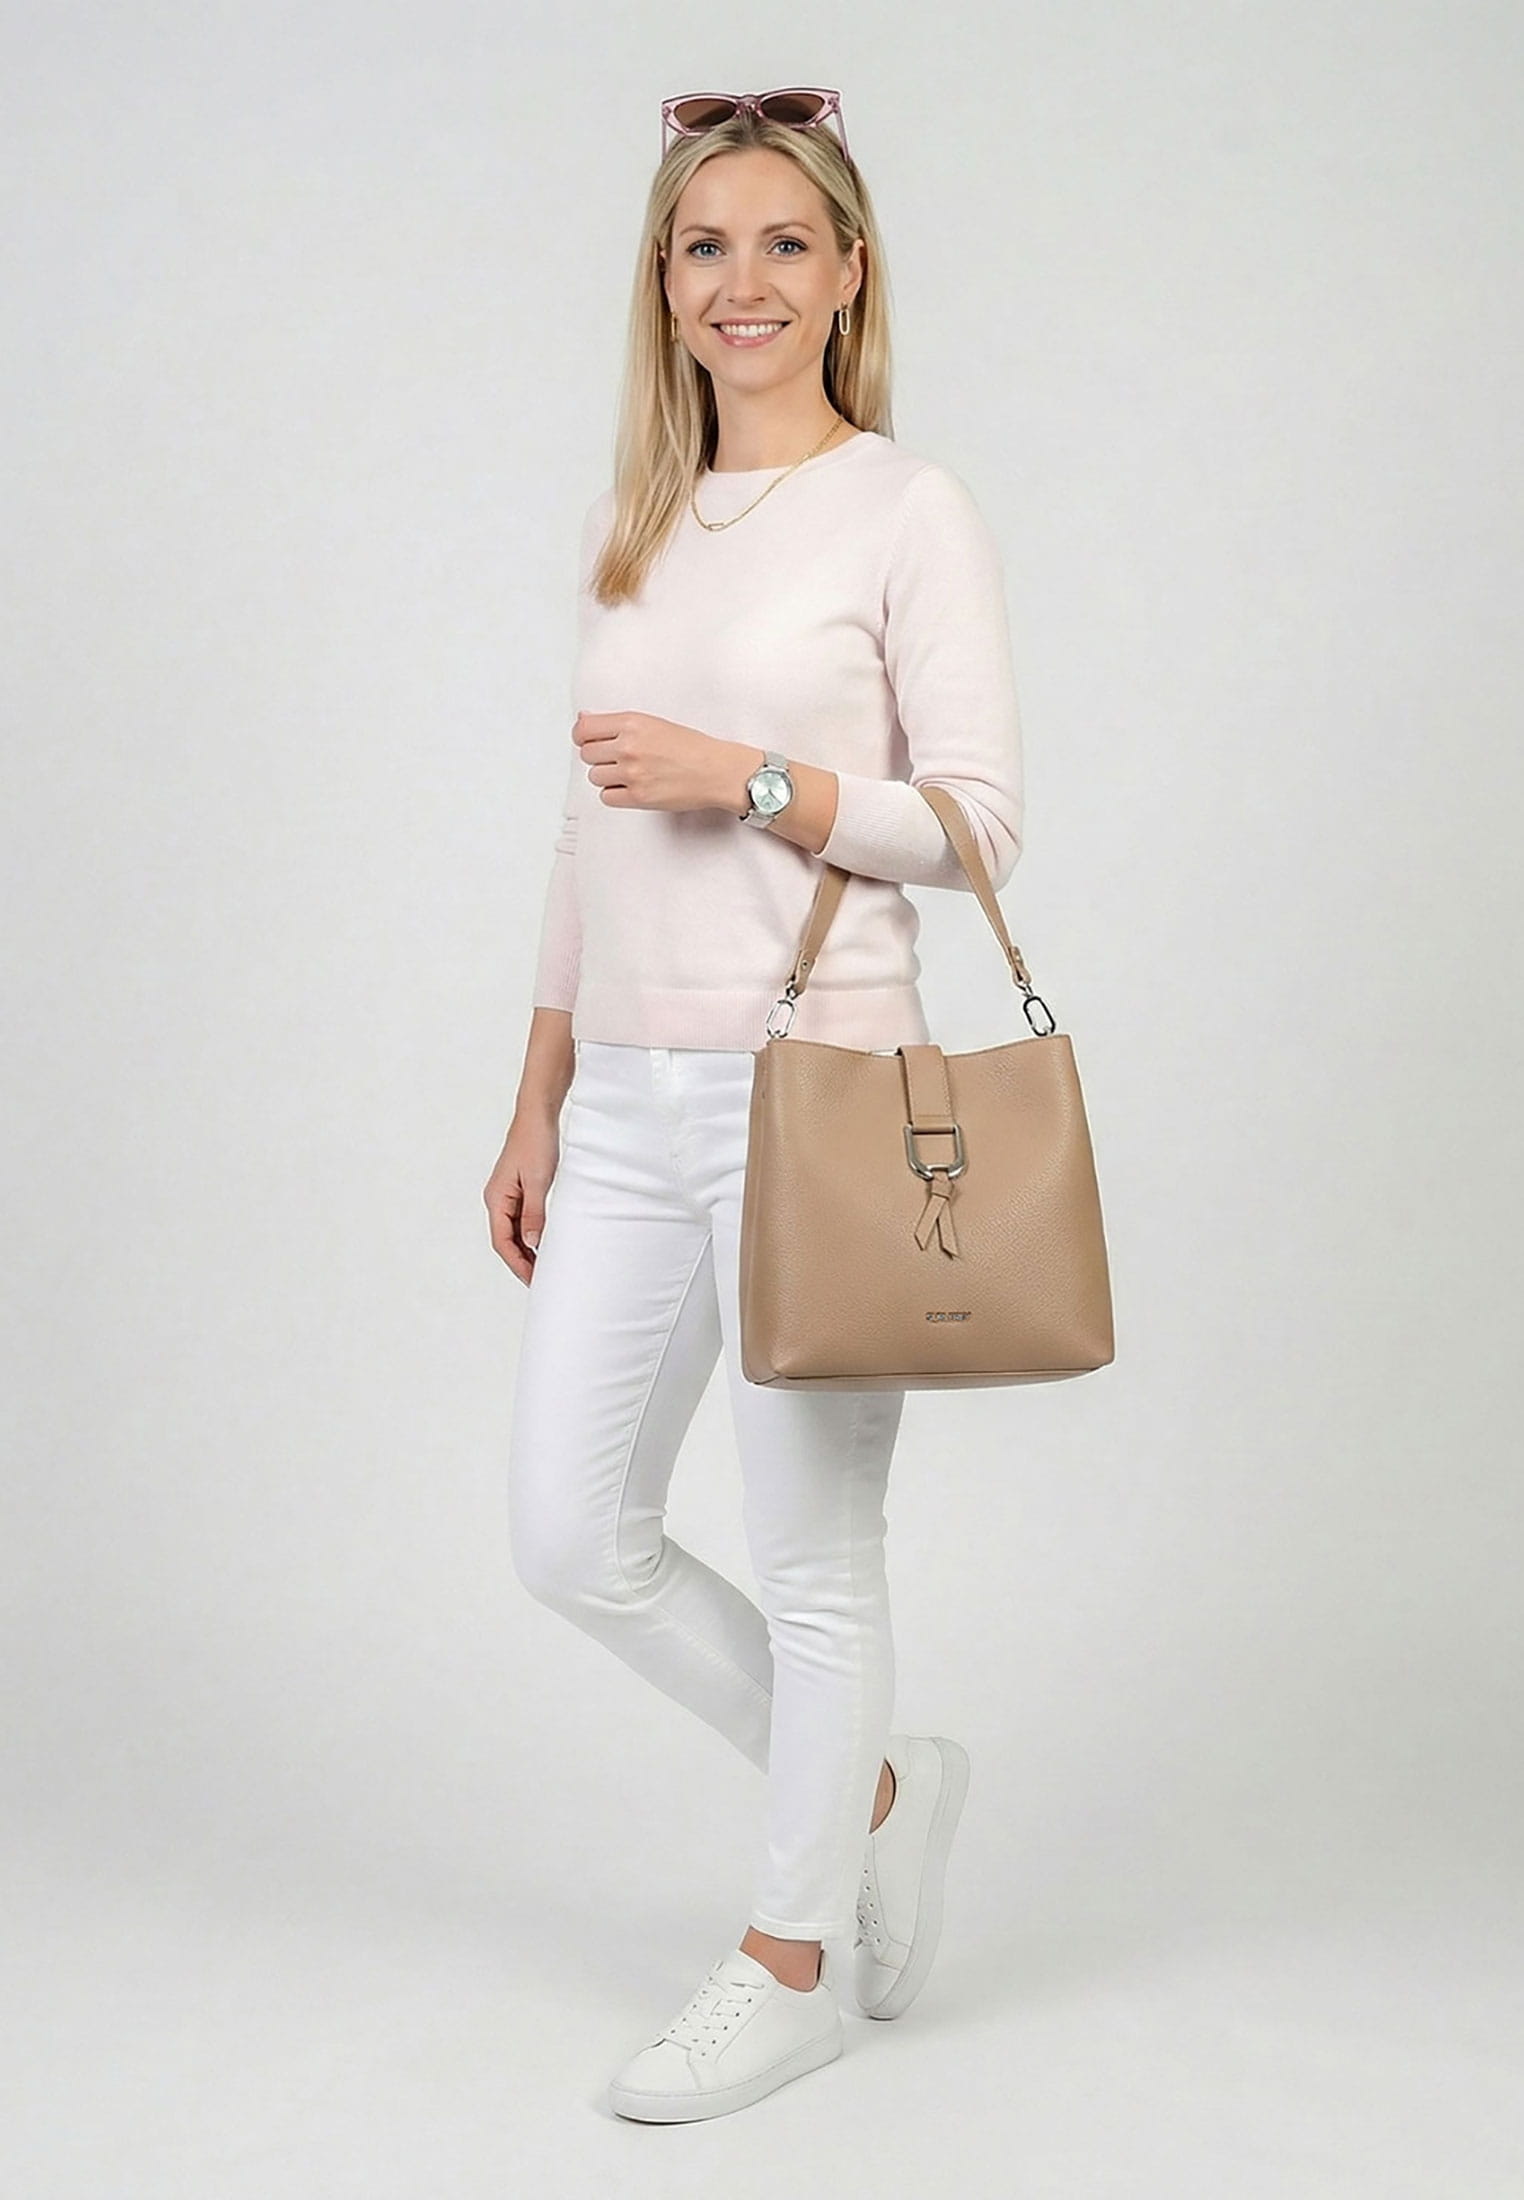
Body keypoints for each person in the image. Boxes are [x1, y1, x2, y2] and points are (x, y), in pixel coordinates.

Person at [482, 86, 1023, 2123]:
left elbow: (976, 828)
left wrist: (755, 779)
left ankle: (789, 1955)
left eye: (786, 241)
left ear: (850, 273)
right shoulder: (634, 523)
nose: (745, 282)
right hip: (626, 1096)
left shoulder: (905, 508)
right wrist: (537, 1094)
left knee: (815, 1552)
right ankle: (875, 1791)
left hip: (821, 1095)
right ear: (663, 280)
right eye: (705, 245)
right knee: (571, 1532)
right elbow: (583, 834)